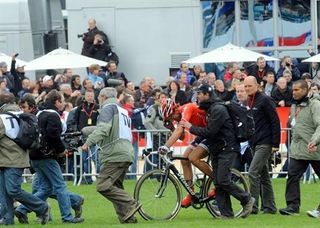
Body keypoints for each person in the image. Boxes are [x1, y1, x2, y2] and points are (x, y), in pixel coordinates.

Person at [179, 83, 254, 218]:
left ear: (207, 95)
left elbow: (210, 131)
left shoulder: (218, 109)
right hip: (218, 148)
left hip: (227, 148)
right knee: (219, 183)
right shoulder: (212, 108)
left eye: (199, 94)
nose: (197, 97)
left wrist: (190, 127)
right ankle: (226, 215)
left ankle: (247, 199)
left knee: (223, 180)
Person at [15, 90, 85, 224]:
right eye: (21, 107)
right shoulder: (49, 116)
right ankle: (67, 217)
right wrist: (61, 150)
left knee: (46, 189)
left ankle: (23, 209)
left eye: (23, 107)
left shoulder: (27, 119)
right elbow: (53, 136)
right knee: (60, 186)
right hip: (46, 157)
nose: (22, 110)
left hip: (34, 158)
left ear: (31, 106)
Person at [81, 87, 141, 224]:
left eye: (99, 98)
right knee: (116, 187)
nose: (98, 101)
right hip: (126, 151)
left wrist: (88, 143)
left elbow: (103, 129)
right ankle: (127, 217)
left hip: (114, 153)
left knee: (102, 185)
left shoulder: (108, 108)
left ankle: (131, 203)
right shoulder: (122, 110)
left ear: (102, 96)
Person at [0, 92, 50, 225]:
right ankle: (7, 219)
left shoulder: (2, 119)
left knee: (12, 190)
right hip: (11, 158)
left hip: (12, 159)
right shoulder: (20, 115)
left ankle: (41, 207)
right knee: (4, 191)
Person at [158, 94, 215, 208]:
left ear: (175, 109)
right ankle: (191, 193)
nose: (172, 119)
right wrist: (171, 128)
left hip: (211, 134)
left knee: (193, 158)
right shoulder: (178, 116)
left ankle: (219, 182)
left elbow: (180, 131)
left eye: (171, 116)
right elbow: (182, 137)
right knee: (185, 159)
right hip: (202, 134)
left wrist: (166, 146)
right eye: (169, 119)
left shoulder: (187, 108)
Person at [279, 80, 320, 216]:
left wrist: (314, 141)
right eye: (293, 90)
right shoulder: (295, 105)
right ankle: (292, 207)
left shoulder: (315, 104)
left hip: (314, 149)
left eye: (297, 90)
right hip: (299, 149)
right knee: (292, 176)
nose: (294, 93)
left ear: (306, 90)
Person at [244, 76, 280, 214]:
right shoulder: (249, 101)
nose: (247, 88)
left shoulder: (265, 100)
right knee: (264, 176)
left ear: (257, 86)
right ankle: (270, 207)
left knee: (252, 172)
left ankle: (252, 206)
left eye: (249, 86)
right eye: (245, 86)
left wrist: (275, 143)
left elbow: (275, 121)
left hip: (265, 143)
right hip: (254, 142)